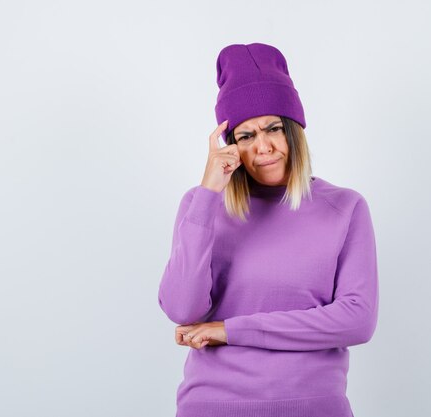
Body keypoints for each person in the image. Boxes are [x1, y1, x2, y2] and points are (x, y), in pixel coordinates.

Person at [157, 43, 378, 417]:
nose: (263, 147)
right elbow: (182, 308)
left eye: (273, 128)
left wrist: (230, 330)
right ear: (231, 146)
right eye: (246, 136)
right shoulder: (201, 205)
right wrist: (209, 193)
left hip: (314, 407)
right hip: (211, 407)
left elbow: (357, 319)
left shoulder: (345, 208)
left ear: (293, 131)